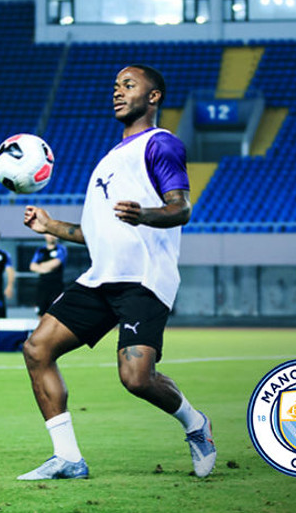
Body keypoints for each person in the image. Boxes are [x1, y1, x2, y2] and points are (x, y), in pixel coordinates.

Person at [17, 64, 216, 480]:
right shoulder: (110, 159)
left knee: (137, 379)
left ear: (154, 96)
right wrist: (51, 226)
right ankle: (68, 458)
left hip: (143, 279)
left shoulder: (161, 144)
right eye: (115, 86)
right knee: (37, 349)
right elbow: (95, 234)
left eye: (129, 85)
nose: (118, 92)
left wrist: (145, 214)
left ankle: (196, 424)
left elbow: (181, 209)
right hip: (101, 277)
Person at [30, 234, 68, 316]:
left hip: (56, 286)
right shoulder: (40, 250)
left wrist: (40, 266)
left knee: (55, 312)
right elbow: (32, 266)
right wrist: (46, 269)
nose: (51, 236)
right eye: (48, 234)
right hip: (42, 286)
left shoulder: (61, 249)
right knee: (41, 312)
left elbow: (56, 263)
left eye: (53, 234)